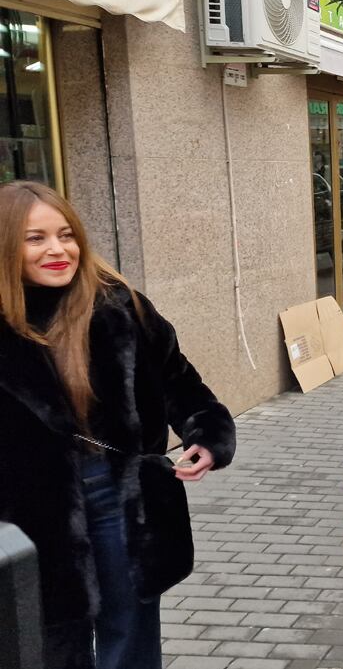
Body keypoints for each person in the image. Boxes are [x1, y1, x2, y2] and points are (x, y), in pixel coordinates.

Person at [0, 181, 236, 669]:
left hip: (122, 501)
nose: (58, 249)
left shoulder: (118, 306)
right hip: (26, 519)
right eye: (35, 238)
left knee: (129, 641)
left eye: (66, 234)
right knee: (49, 649)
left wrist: (207, 437)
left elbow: (181, 383)